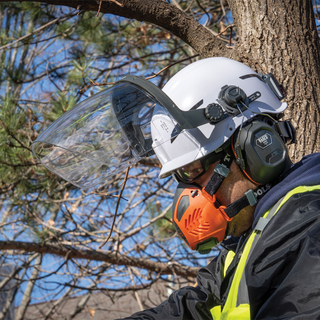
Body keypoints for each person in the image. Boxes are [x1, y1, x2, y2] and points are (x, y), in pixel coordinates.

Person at [33, 57, 320, 319]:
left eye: (196, 171)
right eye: (183, 177)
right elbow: (188, 310)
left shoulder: (307, 225)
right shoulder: (245, 247)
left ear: (258, 149)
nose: (191, 194)